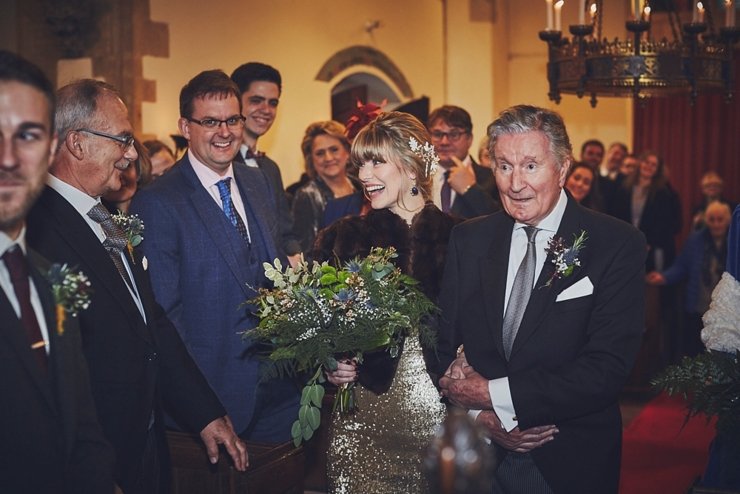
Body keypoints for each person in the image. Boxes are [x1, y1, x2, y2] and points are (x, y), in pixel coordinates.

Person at [27, 78, 246, 493]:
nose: (131, 154)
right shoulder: (38, 229)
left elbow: (151, 324)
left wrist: (203, 412)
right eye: (122, 140)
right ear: (77, 143)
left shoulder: (104, 218)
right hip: (92, 458)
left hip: (143, 442)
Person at [437, 105, 646, 494]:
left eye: (531, 166)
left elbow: (607, 368)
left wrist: (496, 397)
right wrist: (482, 416)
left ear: (563, 168)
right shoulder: (469, 239)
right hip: (479, 459)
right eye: (503, 166)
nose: (515, 183)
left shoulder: (615, 244)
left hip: (565, 458)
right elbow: (443, 343)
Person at [130, 70, 300, 444]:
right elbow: (166, 319)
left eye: (232, 120)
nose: (224, 132)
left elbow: (274, 278)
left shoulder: (258, 183)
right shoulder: (158, 202)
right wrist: (201, 407)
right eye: (209, 122)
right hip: (214, 405)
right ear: (185, 126)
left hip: (282, 398)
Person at [316, 111, 460, 493]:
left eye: (376, 161)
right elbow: (312, 325)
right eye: (361, 163)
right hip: (361, 426)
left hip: (442, 426)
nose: (364, 175)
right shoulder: (343, 238)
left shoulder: (461, 238)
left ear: (413, 168)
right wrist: (329, 363)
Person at [0, 49, 115, 494]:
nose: (9, 158)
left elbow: (80, 426)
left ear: (49, 149)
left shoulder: (49, 280)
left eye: (27, 135)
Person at [231, 62, 301, 265]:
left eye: (273, 103)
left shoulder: (270, 168)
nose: (266, 110)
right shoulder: (222, 164)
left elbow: (286, 231)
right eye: (256, 100)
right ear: (236, 102)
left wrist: (297, 257)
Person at [646, 201, 731, 356]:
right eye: (712, 219)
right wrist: (663, 277)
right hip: (698, 308)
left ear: (728, 220)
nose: (716, 224)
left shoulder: (734, 241)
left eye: (720, 219)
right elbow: (681, 266)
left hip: (727, 311)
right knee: (696, 352)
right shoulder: (696, 239)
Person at [292, 120, 362, 255]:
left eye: (334, 149)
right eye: (320, 153)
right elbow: (306, 253)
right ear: (311, 159)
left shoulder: (360, 186)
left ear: (347, 152)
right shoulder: (306, 195)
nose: (328, 158)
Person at [609, 149, 682, 272]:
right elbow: (616, 216)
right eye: (646, 162)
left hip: (651, 248)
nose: (649, 167)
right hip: (625, 244)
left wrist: (647, 242)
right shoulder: (623, 187)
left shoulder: (664, 192)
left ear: (658, 170)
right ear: (640, 164)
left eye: (653, 165)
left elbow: (666, 223)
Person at [428, 105, 499, 218]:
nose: (444, 142)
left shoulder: (493, 178)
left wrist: (470, 190)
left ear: (469, 139)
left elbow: (502, 222)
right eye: (437, 134)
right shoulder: (417, 177)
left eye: (454, 134)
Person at [102, 139, 151, 213]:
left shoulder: (153, 209)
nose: (120, 175)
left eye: (126, 166)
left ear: (138, 171)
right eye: (112, 166)